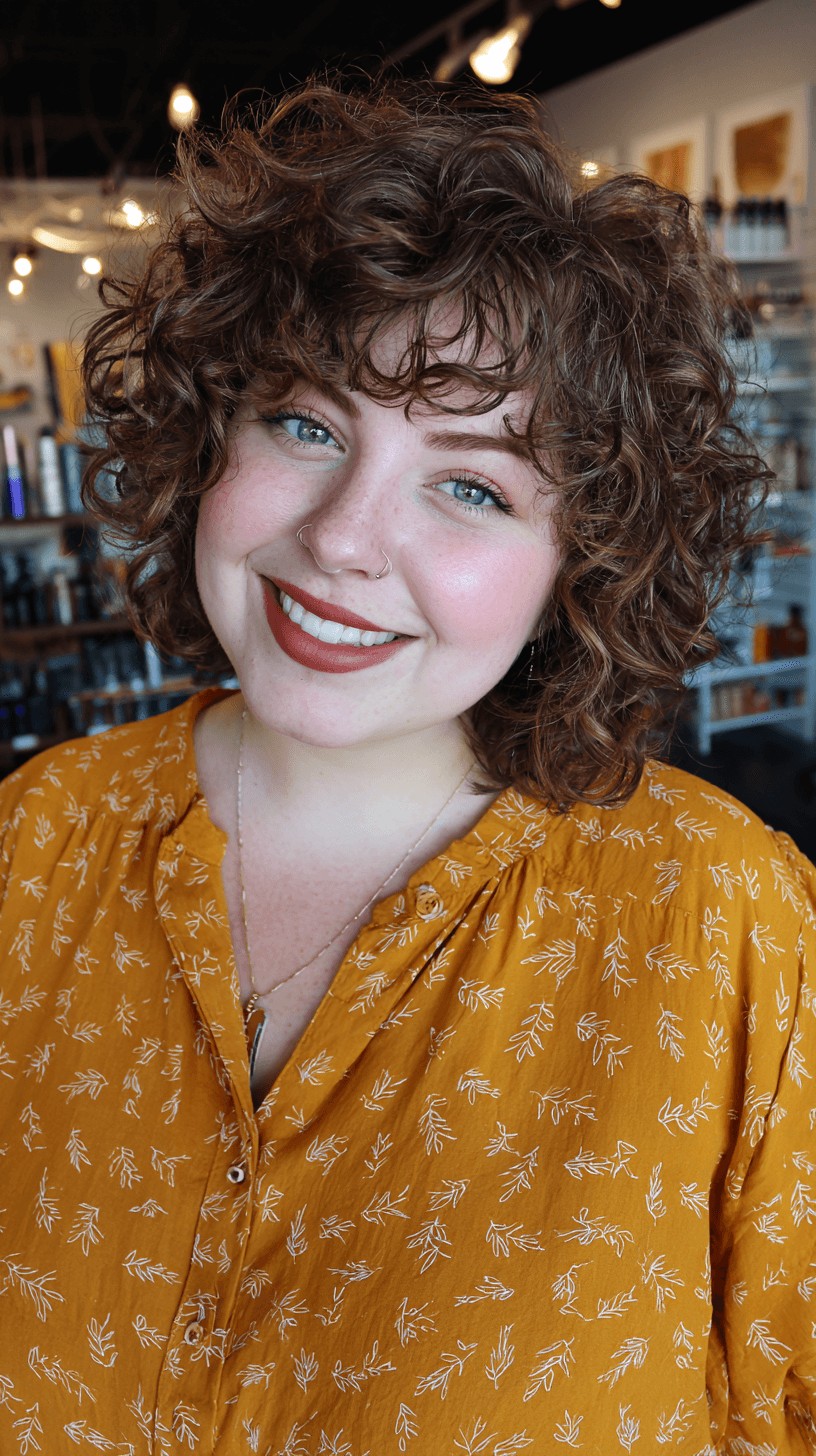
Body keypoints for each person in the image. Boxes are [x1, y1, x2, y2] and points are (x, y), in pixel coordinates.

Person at [1, 72, 814, 1456]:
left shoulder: (723, 930)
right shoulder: (33, 845)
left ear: (582, 561)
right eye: (305, 422)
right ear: (211, 434)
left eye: (473, 484)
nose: (343, 541)